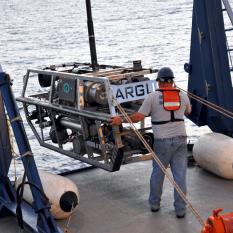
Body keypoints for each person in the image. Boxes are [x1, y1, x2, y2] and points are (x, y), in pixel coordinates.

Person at [110, 67, 191, 218]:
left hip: (162, 142)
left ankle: (154, 205)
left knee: (158, 174)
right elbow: (189, 112)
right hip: (181, 139)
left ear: (159, 82)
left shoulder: (152, 97)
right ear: (172, 81)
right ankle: (180, 210)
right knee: (180, 176)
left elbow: (138, 117)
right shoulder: (182, 95)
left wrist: (119, 119)